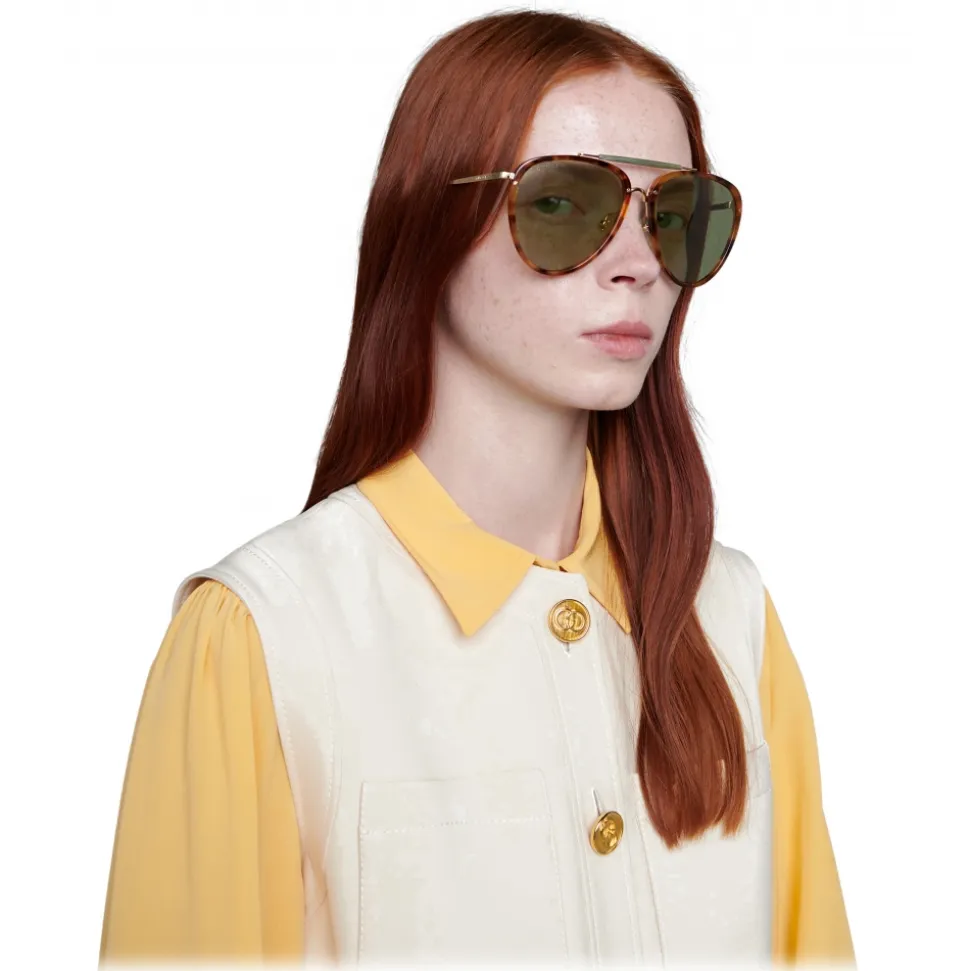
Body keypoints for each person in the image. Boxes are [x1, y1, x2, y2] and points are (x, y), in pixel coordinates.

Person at [99, 9, 854, 967]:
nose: (637, 266)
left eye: (673, 216)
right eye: (564, 203)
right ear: (428, 220)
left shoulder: (729, 616)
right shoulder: (267, 637)